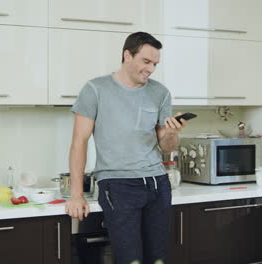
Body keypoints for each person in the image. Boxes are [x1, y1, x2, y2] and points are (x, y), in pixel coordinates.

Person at [65, 32, 189, 264]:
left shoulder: (160, 92)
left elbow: (165, 146)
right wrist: (76, 195)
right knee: (130, 259)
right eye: (146, 61)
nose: (151, 69)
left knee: (158, 259)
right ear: (127, 55)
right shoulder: (95, 89)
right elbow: (78, 142)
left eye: (155, 64)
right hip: (118, 185)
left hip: (158, 184)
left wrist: (172, 133)